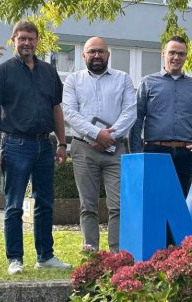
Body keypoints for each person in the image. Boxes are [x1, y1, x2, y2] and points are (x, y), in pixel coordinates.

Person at [0, 20, 70, 275]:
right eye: (22, 38)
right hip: (15, 144)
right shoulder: (2, 72)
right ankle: (15, 259)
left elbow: (56, 109)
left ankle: (45, 256)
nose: (26, 43)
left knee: (45, 203)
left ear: (37, 41)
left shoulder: (49, 72)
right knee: (14, 205)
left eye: (31, 39)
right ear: (13, 40)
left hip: (45, 145)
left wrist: (62, 143)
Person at [62, 37, 137, 252]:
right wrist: (96, 134)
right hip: (84, 148)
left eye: (101, 51)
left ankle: (117, 254)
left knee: (119, 206)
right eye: (92, 52)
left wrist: (109, 138)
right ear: (83, 56)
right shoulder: (73, 80)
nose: (97, 55)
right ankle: (91, 253)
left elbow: (130, 111)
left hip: (115, 149)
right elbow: (69, 112)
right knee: (88, 206)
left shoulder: (123, 79)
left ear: (108, 55)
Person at [130, 35, 192, 197]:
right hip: (155, 152)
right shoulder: (148, 82)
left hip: (185, 152)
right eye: (172, 52)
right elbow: (137, 119)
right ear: (163, 53)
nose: (176, 57)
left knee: (181, 201)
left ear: (186, 56)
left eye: (181, 54)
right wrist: (136, 154)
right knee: (155, 200)